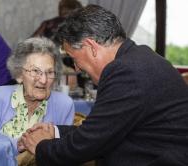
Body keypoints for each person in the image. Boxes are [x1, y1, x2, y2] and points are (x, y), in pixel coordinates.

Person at [18, 5, 188, 166]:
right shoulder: (138, 57)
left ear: (91, 47)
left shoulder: (126, 71)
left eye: (74, 58)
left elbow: (88, 144)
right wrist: (54, 132)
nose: (76, 68)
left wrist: (41, 146)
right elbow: (103, 129)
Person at [0, 37, 74, 151]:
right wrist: (17, 144)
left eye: (49, 72)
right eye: (35, 71)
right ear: (19, 74)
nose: (44, 80)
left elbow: (65, 149)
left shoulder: (64, 104)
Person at [32, 0, 83, 91]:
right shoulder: (79, 26)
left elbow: (31, 43)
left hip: (47, 65)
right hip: (73, 66)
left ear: (61, 10)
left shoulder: (47, 24)